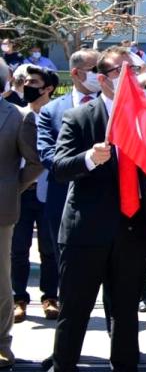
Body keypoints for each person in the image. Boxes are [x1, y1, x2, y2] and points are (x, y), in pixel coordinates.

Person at [44, 47, 146, 372]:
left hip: (131, 231)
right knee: (75, 310)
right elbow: (60, 168)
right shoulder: (81, 117)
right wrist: (90, 159)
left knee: (124, 309)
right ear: (104, 78)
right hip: (86, 232)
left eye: (135, 71)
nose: (131, 78)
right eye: (122, 72)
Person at [33, 50, 100, 322]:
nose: (100, 74)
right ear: (75, 73)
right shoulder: (52, 110)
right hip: (62, 198)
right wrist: (86, 162)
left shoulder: (113, 106)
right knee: (66, 268)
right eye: (94, 68)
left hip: (107, 200)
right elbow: (47, 155)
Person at [0, 85, 44, 371]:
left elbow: (36, 161)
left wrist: (13, 186)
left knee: (0, 279)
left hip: (1, 208)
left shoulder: (17, 116)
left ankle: (1, 343)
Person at [10, 65, 58, 324]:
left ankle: (50, 297)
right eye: (25, 80)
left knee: (49, 249)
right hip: (20, 191)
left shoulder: (59, 114)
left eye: (34, 81)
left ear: (48, 88)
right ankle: (19, 298)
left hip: (49, 191)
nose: (27, 84)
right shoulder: (17, 115)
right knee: (18, 249)